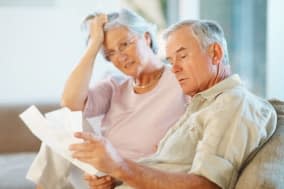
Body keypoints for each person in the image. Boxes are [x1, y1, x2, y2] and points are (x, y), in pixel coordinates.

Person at [69, 19, 277, 189]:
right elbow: (167, 165)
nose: (175, 69)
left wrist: (120, 166)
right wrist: (115, 175)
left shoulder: (233, 103)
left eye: (183, 56)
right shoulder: (202, 104)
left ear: (215, 53)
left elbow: (206, 185)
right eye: (170, 60)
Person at [26, 9, 188, 189]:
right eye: (110, 54)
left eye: (124, 44)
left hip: (142, 177)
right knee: (64, 122)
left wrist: (119, 175)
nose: (120, 57)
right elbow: (70, 103)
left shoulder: (180, 80)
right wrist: (93, 45)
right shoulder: (115, 85)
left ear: (147, 37)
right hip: (101, 176)